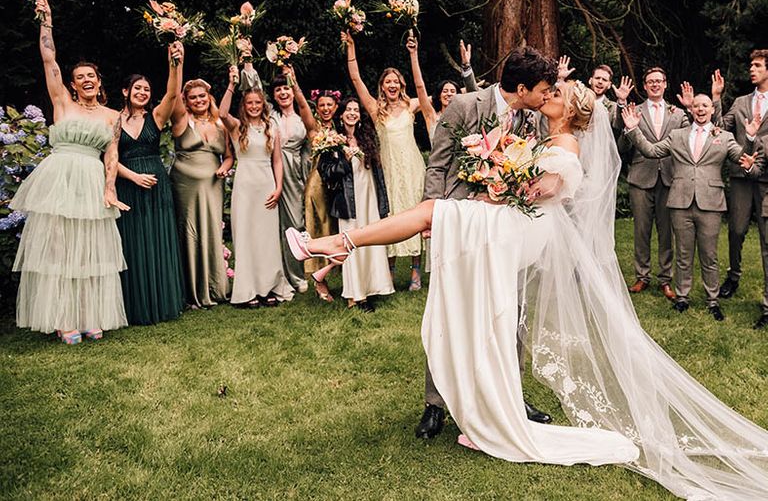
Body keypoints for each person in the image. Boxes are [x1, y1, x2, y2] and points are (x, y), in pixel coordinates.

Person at [287, 80, 768, 500]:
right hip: (513, 222)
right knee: (482, 300)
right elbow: (520, 183)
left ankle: (335, 244)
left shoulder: (568, 145)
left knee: (433, 213)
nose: (548, 95)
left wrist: (503, 178)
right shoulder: (545, 134)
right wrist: (496, 175)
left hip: (523, 226)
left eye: (556, 94)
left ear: (571, 108)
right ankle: (483, 408)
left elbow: (544, 188)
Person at [418, 45, 555, 438]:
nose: (546, 96)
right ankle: (435, 404)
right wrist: (433, 214)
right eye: (543, 89)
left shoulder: (531, 120)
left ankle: (511, 395)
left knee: (510, 311)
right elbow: (439, 162)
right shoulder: (463, 105)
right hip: (461, 223)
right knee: (449, 309)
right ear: (523, 86)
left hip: (507, 227)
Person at [12, 0, 128, 344]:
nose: (86, 80)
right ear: (73, 85)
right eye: (80, 78)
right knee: (61, 250)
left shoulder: (111, 116)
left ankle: (88, 314)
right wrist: (46, 21)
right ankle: (63, 320)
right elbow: (49, 59)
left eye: (91, 76)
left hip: (91, 180)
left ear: (98, 80)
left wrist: (110, 189)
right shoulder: (63, 102)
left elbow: (112, 154)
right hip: (60, 179)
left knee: (90, 250)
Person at [622, 94, 759, 320]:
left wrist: (751, 136)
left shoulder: (724, 137)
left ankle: (712, 299)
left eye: (705, 105)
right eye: (696, 106)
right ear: (691, 110)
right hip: (680, 201)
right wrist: (633, 130)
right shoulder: (677, 135)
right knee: (683, 254)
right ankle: (682, 296)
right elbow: (652, 151)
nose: (701, 109)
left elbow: (740, 156)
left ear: (711, 110)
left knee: (709, 254)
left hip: (710, 202)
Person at [343, 31, 425, 290]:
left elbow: (422, 87)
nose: (392, 85)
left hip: (411, 168)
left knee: (414, 215)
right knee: (388, 217)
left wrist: (413, 55)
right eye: (387, 81)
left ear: (401, 85)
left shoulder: (412, 105)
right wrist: (351, 48)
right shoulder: (376, 110)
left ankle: (415, 271)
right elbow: (356, 79)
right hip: (387, 169)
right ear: (382, 86)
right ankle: (388, 269)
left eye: (396, 82)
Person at [115, 44, 186, 325]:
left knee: (157, 241)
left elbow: (172, 93)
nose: (143, 93)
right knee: (131, 242)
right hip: (127, 185)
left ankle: (163, 301)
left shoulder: (155, 117)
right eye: (137, 89)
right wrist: (132, 176)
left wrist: (174, 63)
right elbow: (107, 159)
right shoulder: (113, 119)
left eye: (146, 89)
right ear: (125, 92)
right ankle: (135, 306)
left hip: (156, 186)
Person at [220, 67, 292, 307]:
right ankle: (248, 290)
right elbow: (221, 112)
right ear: (244, 105)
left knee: (266, 238)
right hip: (244, 186)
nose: (253, 106)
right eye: (249, 103)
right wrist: (231, 85)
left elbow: (278, 161)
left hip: (266, 185)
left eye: (257, 103)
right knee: (246, 237)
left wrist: (279, 188)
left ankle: (268, 287)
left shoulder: (272, 127)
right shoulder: (236, 126)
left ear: (263, 104)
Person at [314, 97, 393, 310]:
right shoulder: (332, 140)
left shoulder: (367, 138)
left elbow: (378, 174)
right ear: (341, 114)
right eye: (348, 109)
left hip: (370, 198)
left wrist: (382, 204)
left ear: (359, 116)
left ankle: (371, 288)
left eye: (356, 110)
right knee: (350, 245)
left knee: (370, 242)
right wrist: (344, 161)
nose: (352, 113)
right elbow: (326, 172)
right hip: (348, 201)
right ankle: (354, 296)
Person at [617, 67, 689, 300]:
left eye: (659, 81)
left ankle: (665, 279)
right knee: (641, 230)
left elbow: (692, 137)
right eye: (651, 82)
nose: (655, 85)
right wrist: (630, 128)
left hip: (669, 177)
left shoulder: (677, 113)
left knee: (666, 230)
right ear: (645, 86)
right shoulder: (633, 110)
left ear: (665, 84)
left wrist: (689, 107)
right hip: (641, 177)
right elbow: (622, 148)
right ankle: (642, 276)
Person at [711, 52, 768, 329]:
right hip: (741, 176)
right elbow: (720, 128)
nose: (751, 70)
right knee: (736, 230)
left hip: (767, 178)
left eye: (757, 65)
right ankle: (733, 277)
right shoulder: (741, 102)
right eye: (750, 66)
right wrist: (716, 98)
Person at [170, 78, 233, 308]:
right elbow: (173, 95)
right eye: (193, 97)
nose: (198, 100)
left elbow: (228, 155)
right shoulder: (182, 120)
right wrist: (177, 62)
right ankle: (190, 292)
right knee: (188, 233)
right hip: (184, 185)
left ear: (209, 97)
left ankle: (214, 288)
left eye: (202, 96)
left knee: (211, 231)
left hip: (212, 186)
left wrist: (225, 167)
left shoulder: (220, 123)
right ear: (186, 101)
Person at [283, 67, 340, 281]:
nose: (325, 108)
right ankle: (318, 276)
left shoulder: (342, 125)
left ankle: (338, 271)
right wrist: (295, 85)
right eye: (322, 105)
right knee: (318, 226)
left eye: (329, 105)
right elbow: (303, 106)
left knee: (336, 228)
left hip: (339, 183)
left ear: (336, 107)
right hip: (318, 184)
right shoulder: (314, 128)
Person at [270, 75, 310, 294]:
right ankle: (275, 273)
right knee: (271, 225)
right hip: (270, 170)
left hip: (293, 173)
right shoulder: (270, 115)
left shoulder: (301, 115)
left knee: (295, 223)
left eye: (286, 88)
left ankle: (297, 275)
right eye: (278, 90)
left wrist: (292, 74)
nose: (283, 93)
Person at [406, 36, 478, 144]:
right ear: (439, 96)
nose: (449, 94)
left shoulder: (464, 117)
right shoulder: (431, 116)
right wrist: (413, 54)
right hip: (437, 160)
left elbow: (474, 95)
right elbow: (420, 87)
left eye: (453, 92)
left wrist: (466, 65)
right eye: (445, 91)